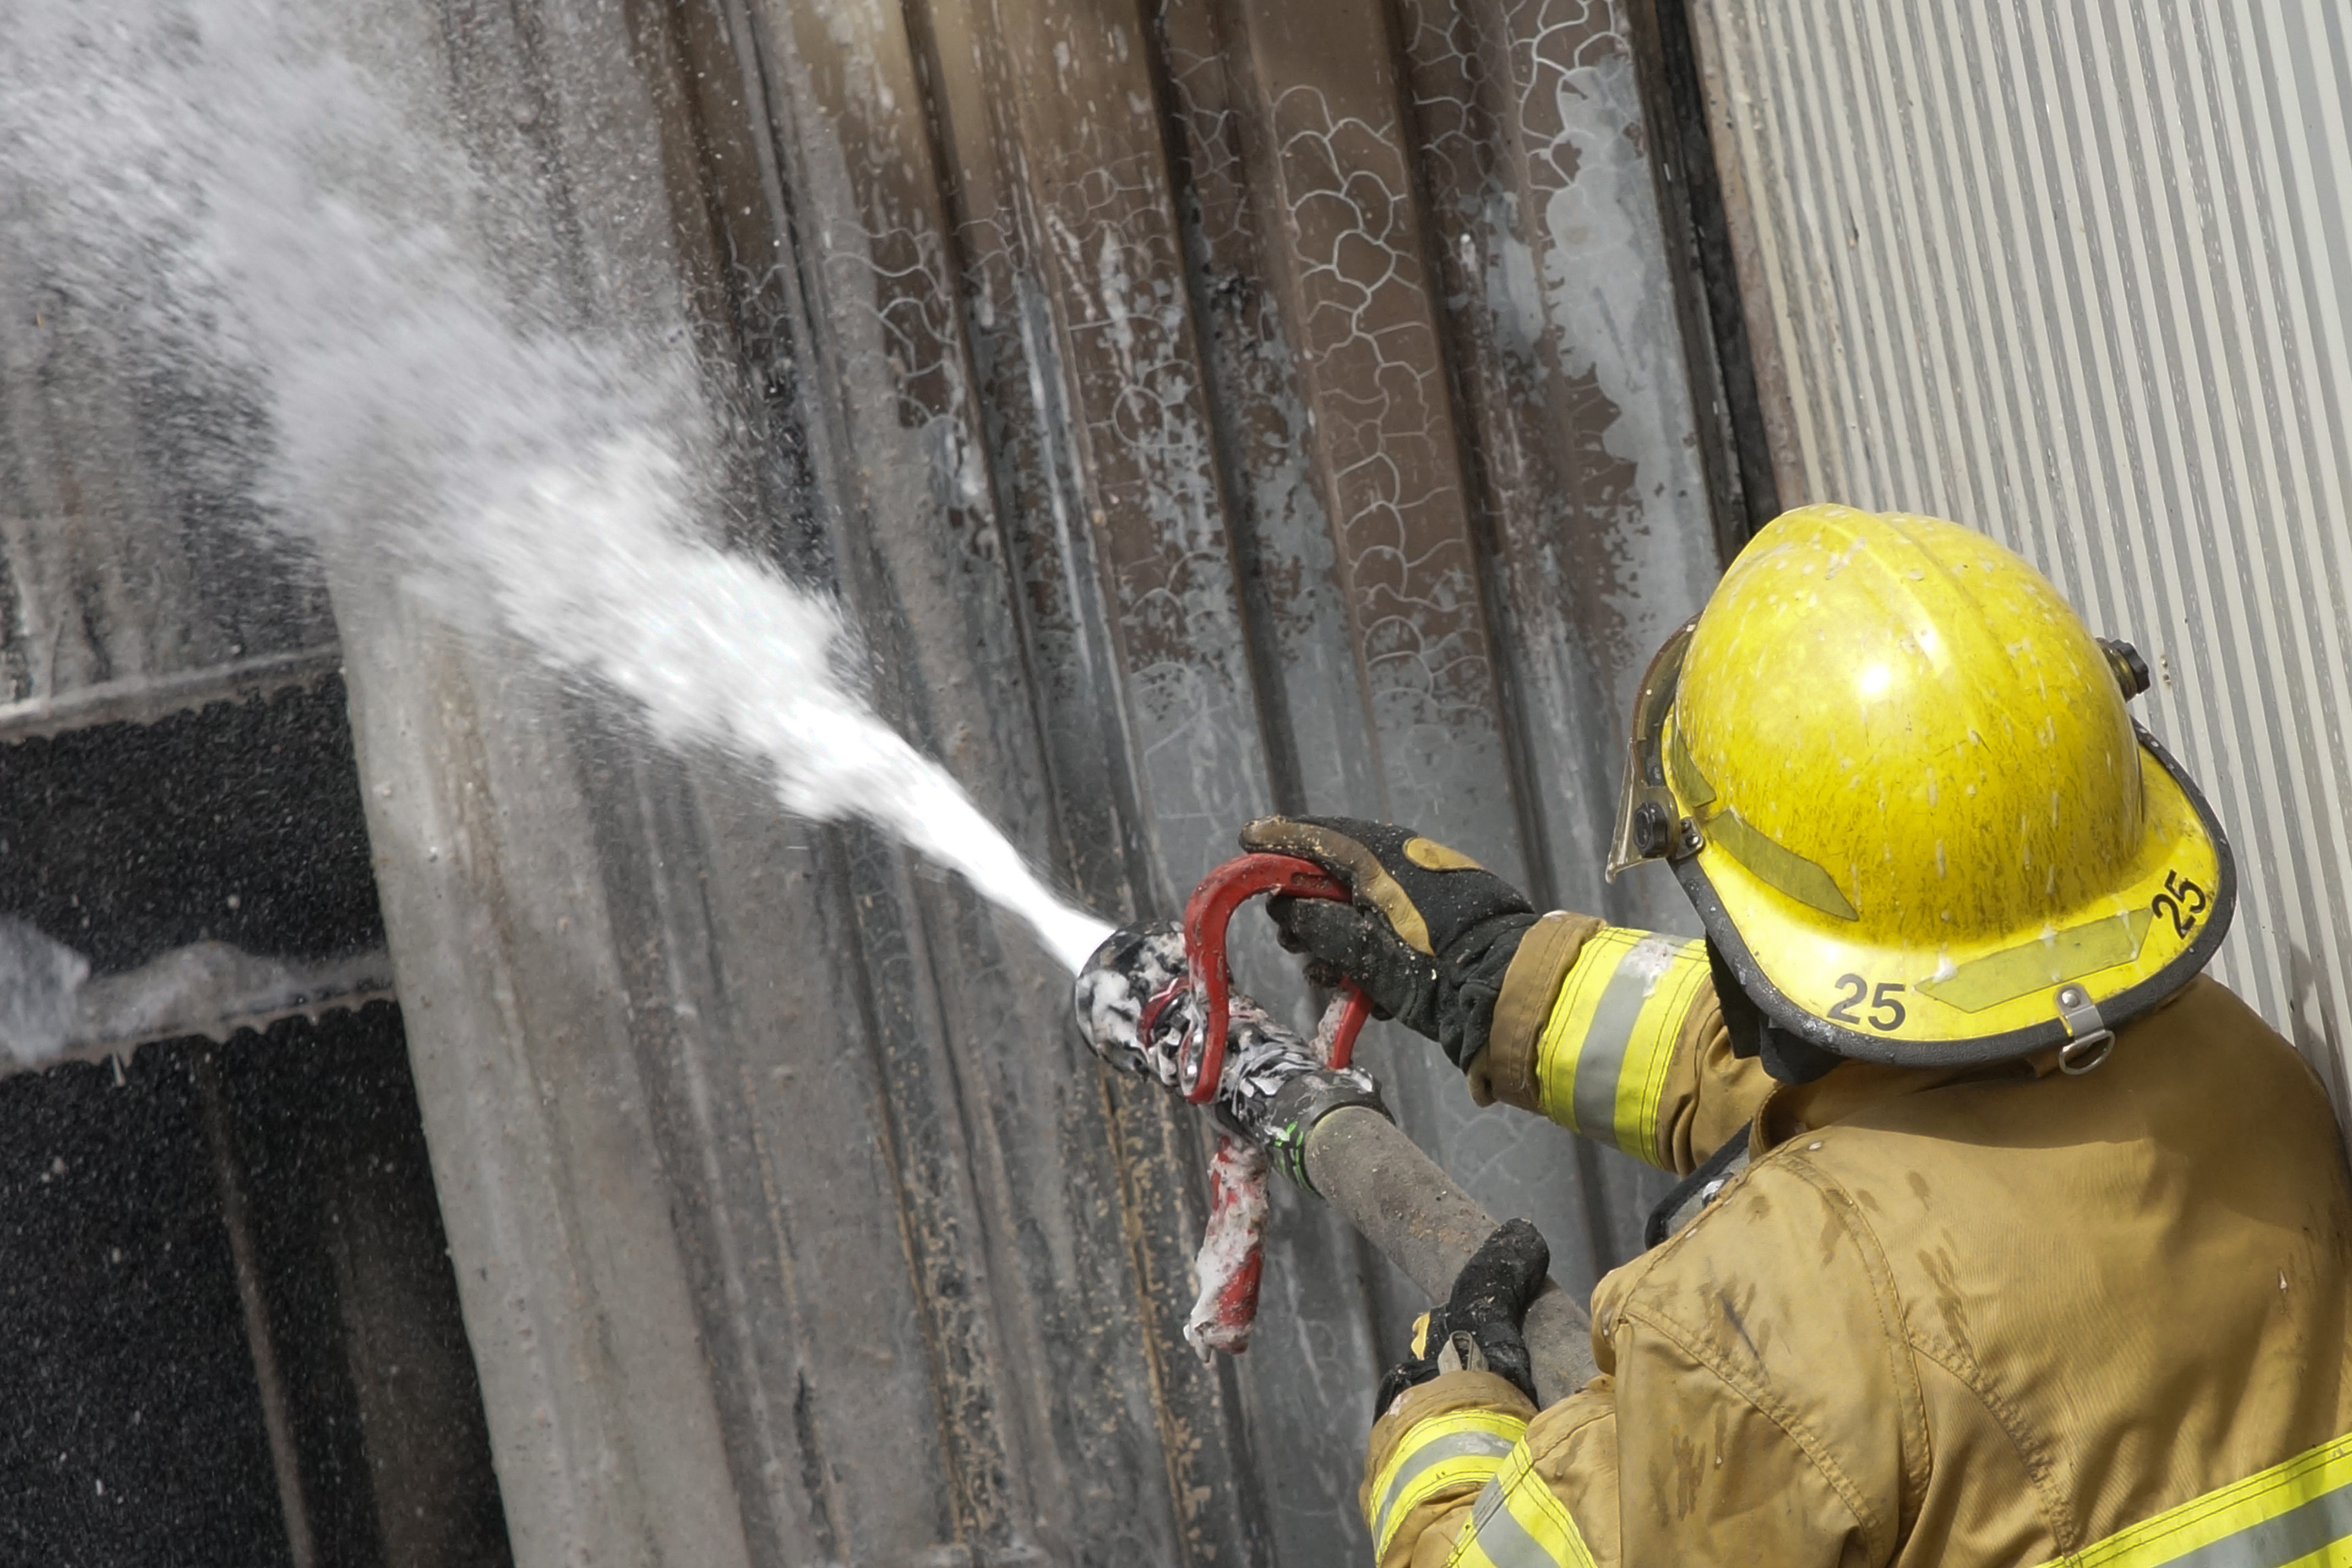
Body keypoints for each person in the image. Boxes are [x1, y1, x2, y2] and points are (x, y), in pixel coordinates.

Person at [1244, 505, 2352, 1566]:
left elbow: (1850, 1252)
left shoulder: (1757, 1335)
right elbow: (1912, 1117)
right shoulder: (2241, 1070)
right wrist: (1505, 976)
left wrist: (1445, 1432)